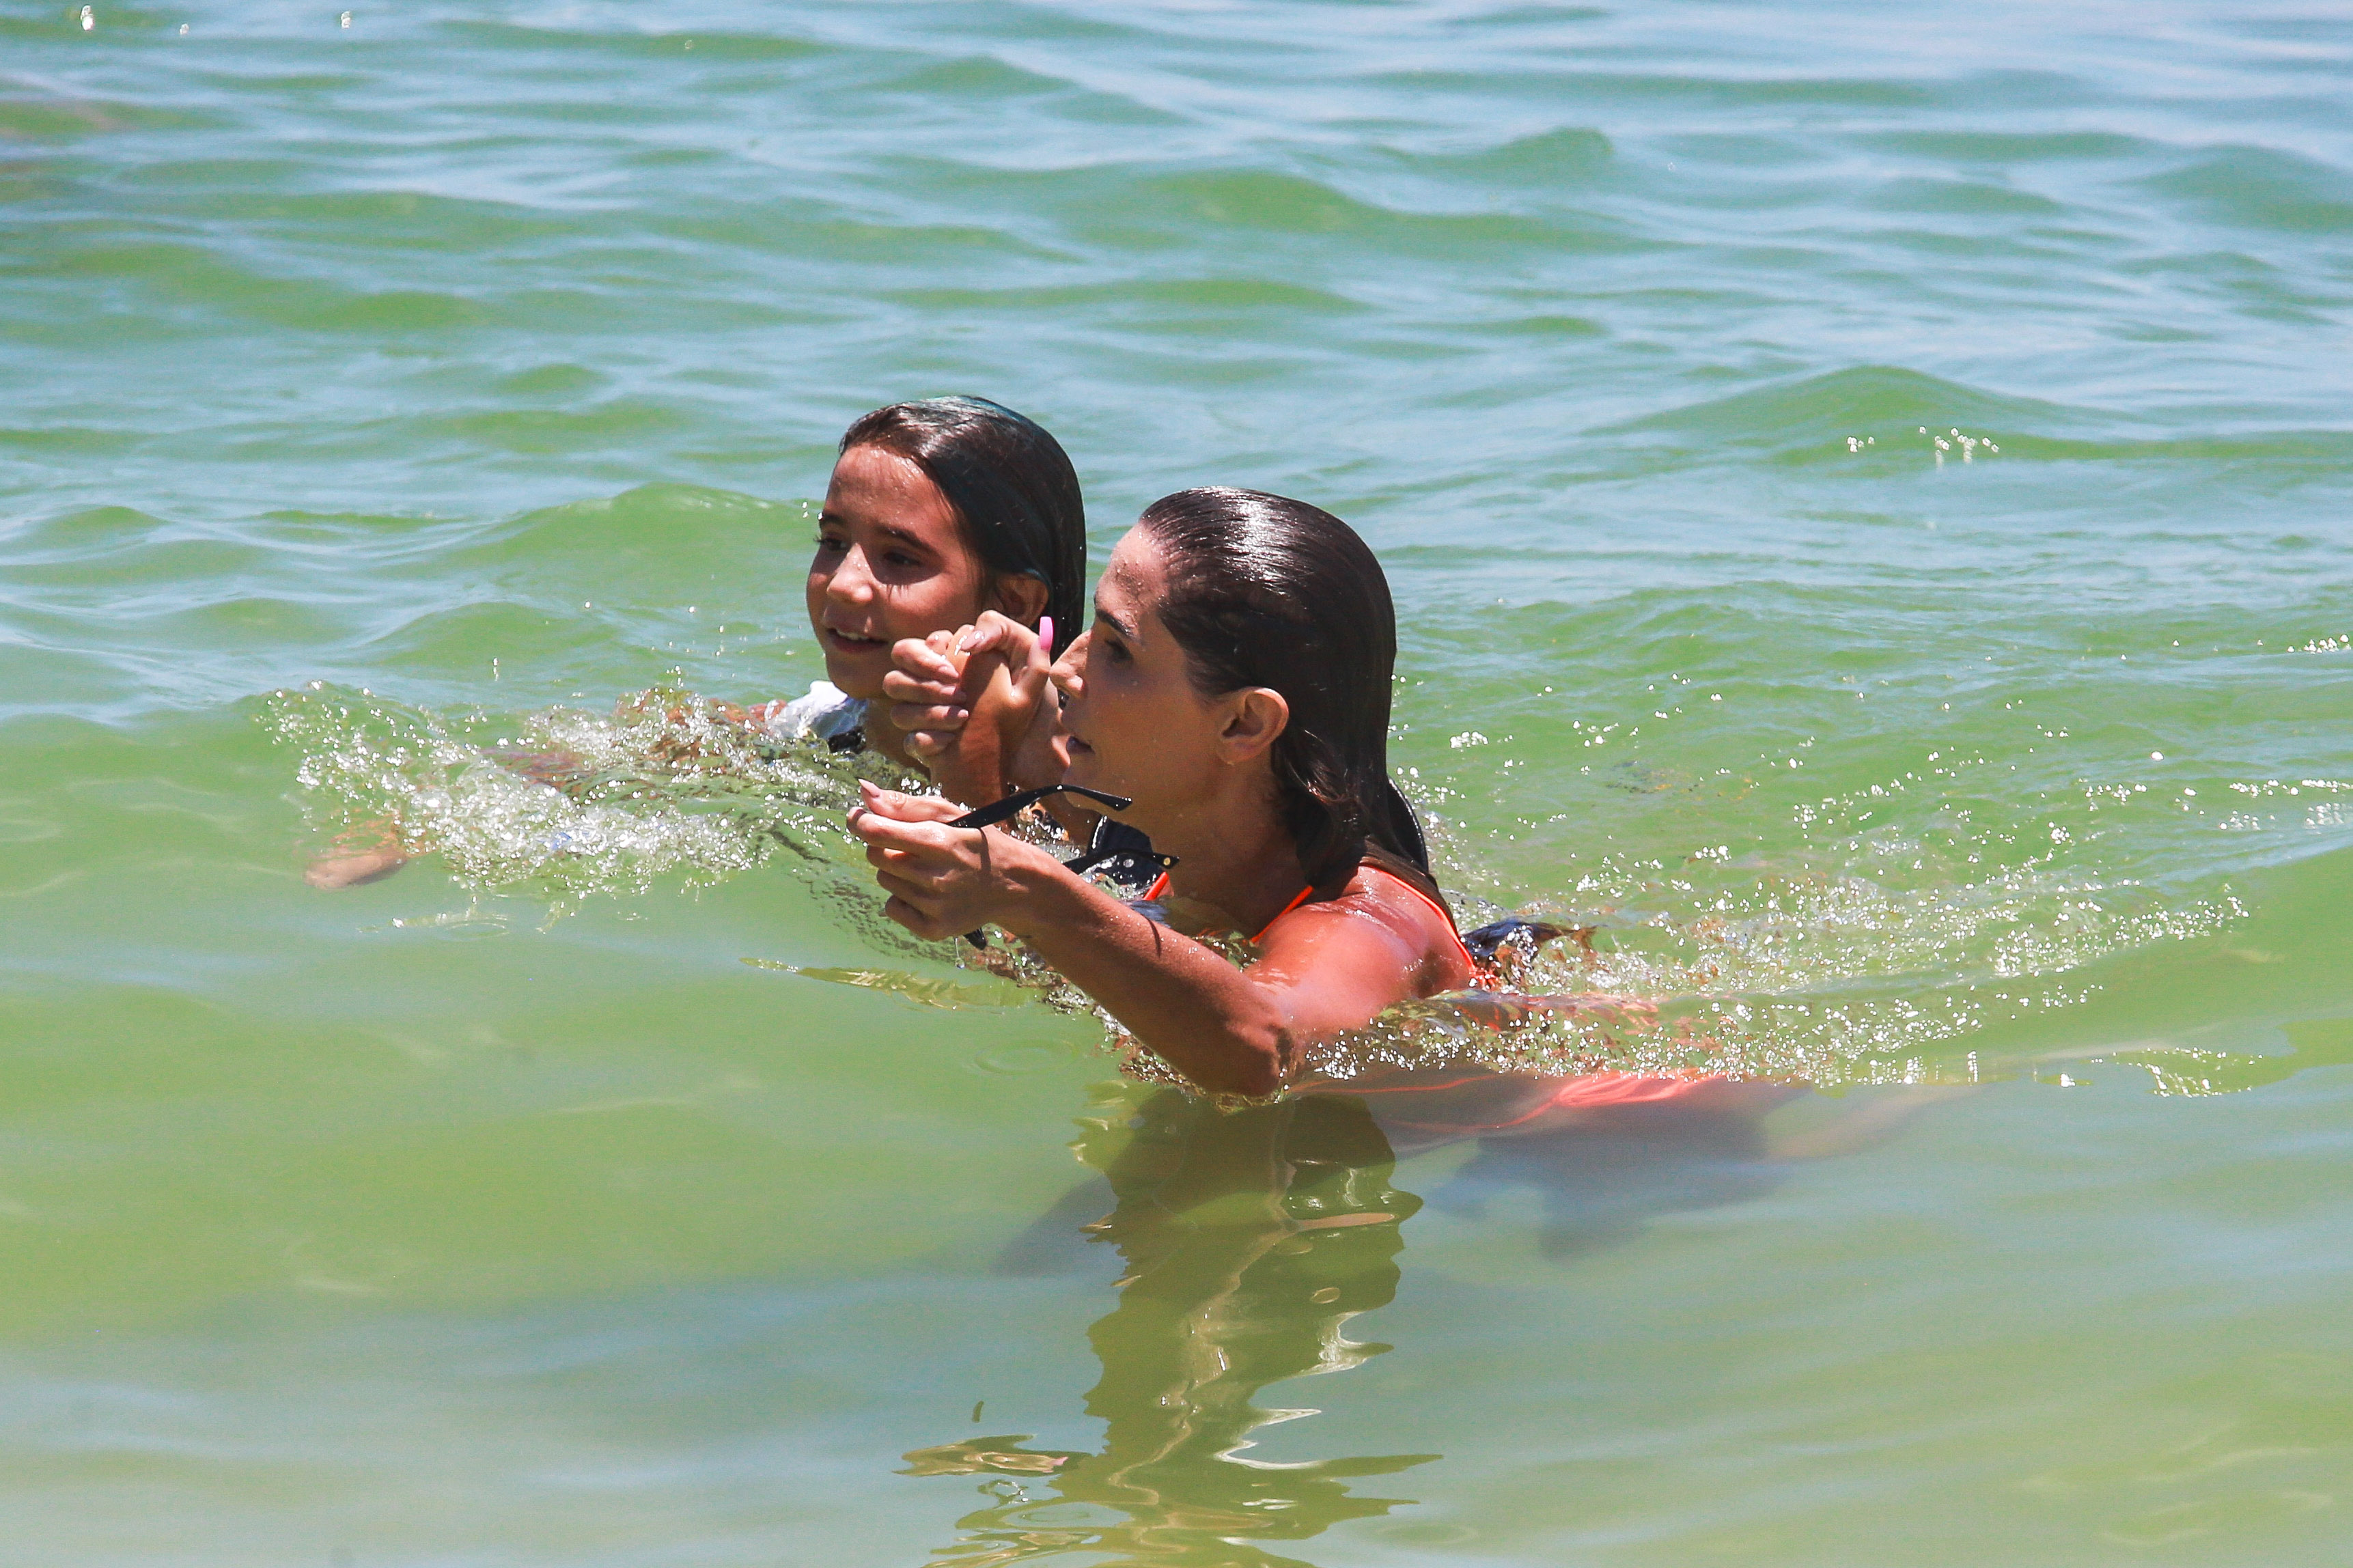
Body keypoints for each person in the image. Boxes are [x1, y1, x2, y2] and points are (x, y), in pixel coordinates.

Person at [303, 395, 1085, 888]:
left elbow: (1028, 963)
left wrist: (975, 770)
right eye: (831, 540)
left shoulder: (1084, 785)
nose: (843, 584)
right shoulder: (832, 724)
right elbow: (648, 737)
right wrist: (423, 819)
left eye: (901, 558)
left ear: (1014, 602)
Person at [849, 486, 1473, 1097]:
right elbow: (1070, 963)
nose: (1066, 665)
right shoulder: (1187, 863)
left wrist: (1028, 890)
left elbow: (1266, 1051)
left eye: (1117, 650)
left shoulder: (1368, 923)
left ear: (1243, 724)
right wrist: (981, 749)